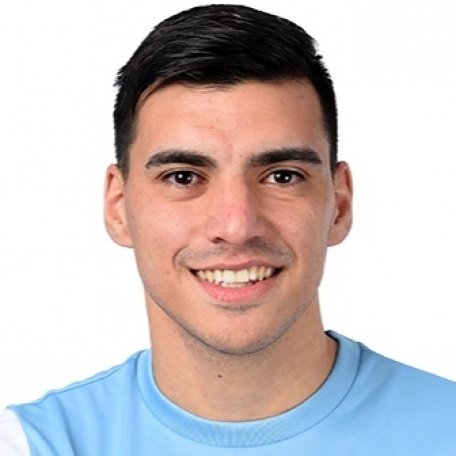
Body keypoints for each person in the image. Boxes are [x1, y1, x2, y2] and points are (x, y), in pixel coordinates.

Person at [1, 4, 455, 455]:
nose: (236, 226)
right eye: (183, 177)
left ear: (339, 204)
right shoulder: (31, 445)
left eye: (282, 176)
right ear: (118, 207)